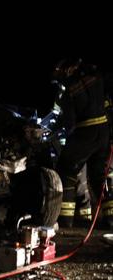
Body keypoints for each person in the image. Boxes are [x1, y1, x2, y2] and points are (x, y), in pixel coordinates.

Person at [51, 58, 111, 228]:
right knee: (100, 175)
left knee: (66, 169)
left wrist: (56, 131)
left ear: (69, 69)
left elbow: (69, 121)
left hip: (86, 131)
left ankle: (65, 220)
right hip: (104, 130)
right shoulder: (97, 76)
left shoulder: (71, 87)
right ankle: (110, 219)